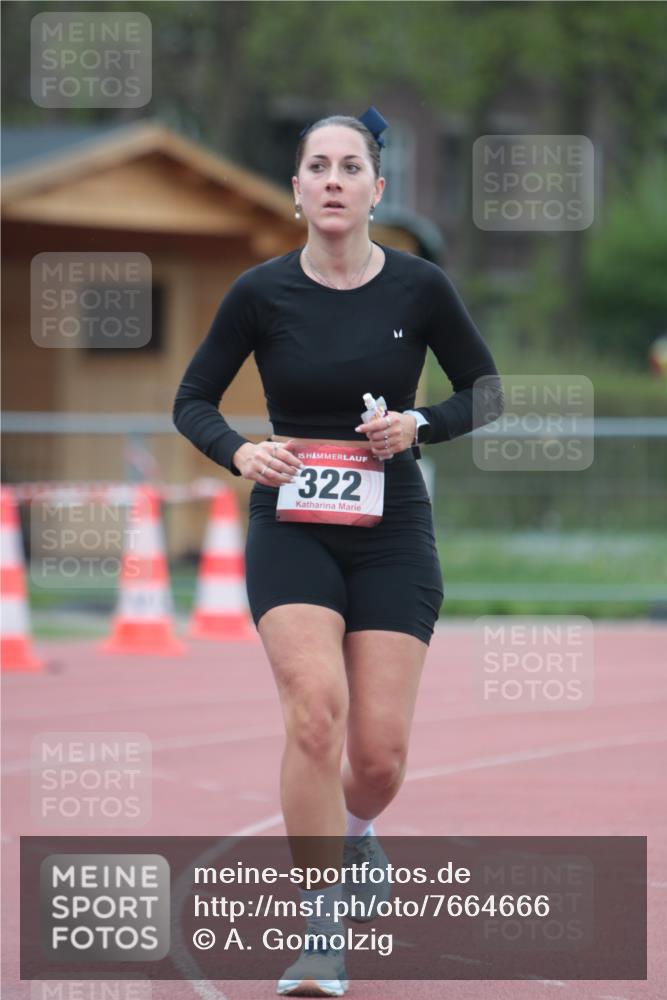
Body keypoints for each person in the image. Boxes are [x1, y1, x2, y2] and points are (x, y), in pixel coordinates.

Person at [173, 105, 504, 997]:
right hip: (290, 524)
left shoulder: (419, 289)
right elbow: (192, 399)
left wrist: (419, 424)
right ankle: (318, 927)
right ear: (295, 191)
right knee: (313, 710)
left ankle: (358, 834)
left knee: (378, 755)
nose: (331, 180)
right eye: (315, 166)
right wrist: (241, 451)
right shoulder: (259, 292)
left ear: (374, 190)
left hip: (391, 529)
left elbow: (486, 391)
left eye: (348, 167)